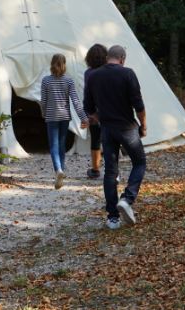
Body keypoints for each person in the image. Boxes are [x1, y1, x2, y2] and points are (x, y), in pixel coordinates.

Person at [83, 44, 146, 229]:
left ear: (107, 57)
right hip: (127, 128)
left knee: (110, 172)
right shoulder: (128, 73)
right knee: (139, 162)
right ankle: (127, 198)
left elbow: (88, 107)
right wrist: (144, 125)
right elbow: (139, 105)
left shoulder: (93, 75)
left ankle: (112, 217)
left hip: (107, 130)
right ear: (122, 59)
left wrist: (98, 116)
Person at [40, 53, 88, 189]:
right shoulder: (69, 81)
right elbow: (76, 102)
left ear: (52, 64)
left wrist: (44, 113)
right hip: (65, 117)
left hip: (51, 117)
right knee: (61, 145)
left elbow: (43, 101)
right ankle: (61, 170)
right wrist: (83, 117)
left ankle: (58, 170)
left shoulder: (46, 81)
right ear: (64, 64)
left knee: (53, 146)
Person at [83, 43, 108, 179]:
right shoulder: (110, 71)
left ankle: (95, 169)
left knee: (95, 140)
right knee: (110, 140)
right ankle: (113, 170)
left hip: (94, 112)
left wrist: (89, 112)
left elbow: (88, 94)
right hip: (110, 111)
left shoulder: (88, 73)